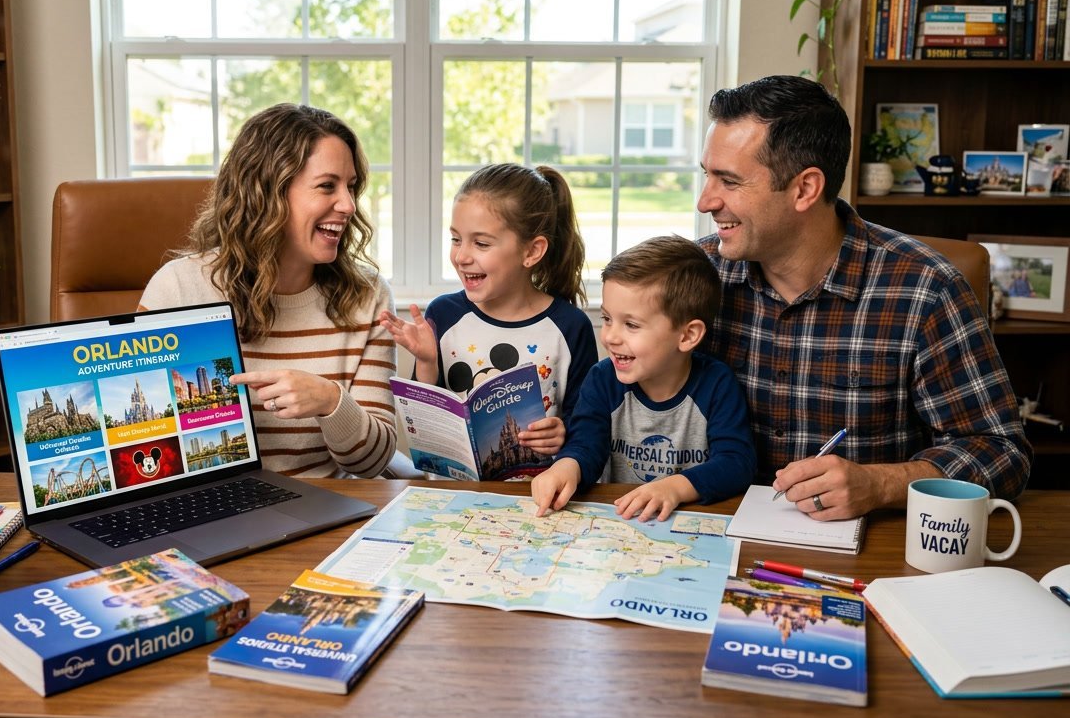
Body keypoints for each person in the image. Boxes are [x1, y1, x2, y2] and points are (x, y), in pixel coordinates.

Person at [696, 75, 1031, 520]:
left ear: (805, 188)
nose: (705, 201)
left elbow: (1001, 451)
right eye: (707, 176)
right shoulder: (696, 275)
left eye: (729, 181)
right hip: (709, 536)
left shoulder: (926, 288)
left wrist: (880, 484)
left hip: (864, 554)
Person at [139, 103, 396, 478]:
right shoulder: (178, 288)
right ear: (267, 193)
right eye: (327, 186)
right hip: (211, 510)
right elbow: (143, 433)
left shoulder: (367, 295)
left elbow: (372, 464)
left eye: (351, 187)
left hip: (324, 512)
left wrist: (329, 401)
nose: (348, 205)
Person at [379, 163, 598, 459]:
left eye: (481, 243)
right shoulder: (444, 314)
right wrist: (427, 361)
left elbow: (588, 428)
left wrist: (563, 433)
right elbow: (423, 431)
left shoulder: (570, 327)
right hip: (451, 495)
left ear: (532, 251)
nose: (461, 256)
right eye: (456, 239)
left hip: (538, 495)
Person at [530, 236, 755, 521]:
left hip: (688, 522)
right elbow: (586, 445)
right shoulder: (602, 379)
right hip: (621, 520)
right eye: (607, 318)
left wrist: (674, 489)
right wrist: (566, 467)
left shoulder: (717, 384)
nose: (610, 337)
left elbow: (736, 463)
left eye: (631, 325)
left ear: (687, 336)